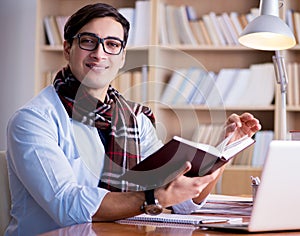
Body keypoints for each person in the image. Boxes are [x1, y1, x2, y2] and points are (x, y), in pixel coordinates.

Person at [5, 3, 261, 236]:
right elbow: (67, 206)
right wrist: (152, 198)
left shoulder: (135, 121)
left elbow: (182, 201)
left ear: (122, 56)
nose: (99, 54)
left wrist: (225, 150)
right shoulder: (33, 120)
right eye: (88, 41)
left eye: (112, 44)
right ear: (67, 48)